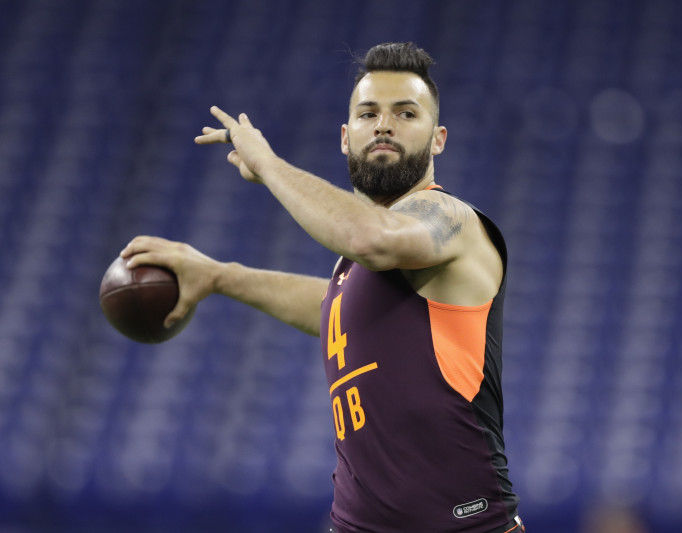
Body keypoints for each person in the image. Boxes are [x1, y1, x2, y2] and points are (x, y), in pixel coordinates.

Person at [121, 42, 522, 533]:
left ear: (438, 139)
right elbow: (336, 312)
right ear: (345, 137)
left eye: (406, 113)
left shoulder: (448, 219)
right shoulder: (356, 265)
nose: (383, 124)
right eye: (368, 112)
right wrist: (220, 275)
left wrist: (268, 164)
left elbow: (369, 237)